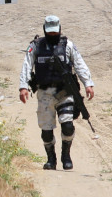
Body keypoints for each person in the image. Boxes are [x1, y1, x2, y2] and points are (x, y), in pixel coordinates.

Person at [18, 15, 95, 171]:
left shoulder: (68, 46)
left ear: (60, 29)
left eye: (55, 32)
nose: (53, 35)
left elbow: (79, 64)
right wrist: (23, 87)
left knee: (67, 126)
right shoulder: (35, 46)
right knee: (46, 131)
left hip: (64, 92)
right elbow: (27, 66)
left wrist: (88, 83)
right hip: (44, 94)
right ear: (45, 30)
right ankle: (50, 159)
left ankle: (65, 155)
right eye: (50, 32)